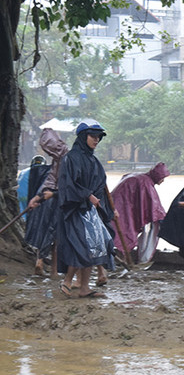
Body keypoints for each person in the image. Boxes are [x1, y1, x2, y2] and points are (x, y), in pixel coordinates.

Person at [56, 119, 116, 299]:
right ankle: (67, 281)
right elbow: (68, 185)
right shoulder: (71, 158)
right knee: (81, 245)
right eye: (92, 136)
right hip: (74, 209)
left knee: (95, 246)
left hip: (90, 211)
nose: (96, 140)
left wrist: (104, 207)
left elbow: (100, 185)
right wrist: (87, 195)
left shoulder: (93, 161)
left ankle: (84, 288)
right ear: (83, 136)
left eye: (98, 137)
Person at [26, 129, 70, 276]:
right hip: (56, 200)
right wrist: (38, 198)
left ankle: (43, 263)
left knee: (47, 229)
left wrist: (40, 197)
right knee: (54, 232)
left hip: (52, 198)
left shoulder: (62, 160)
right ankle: (53, 269)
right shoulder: (63, 158)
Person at [110, 162, 170, 264]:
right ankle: (140, 259)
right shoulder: (145, 183)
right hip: (123, 206)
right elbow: (154, 208)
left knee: (123, 231)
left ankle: (124, 259)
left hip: (117, 204)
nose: (163, 181)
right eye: (162, 178)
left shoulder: (140, 177)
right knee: (126, 231)